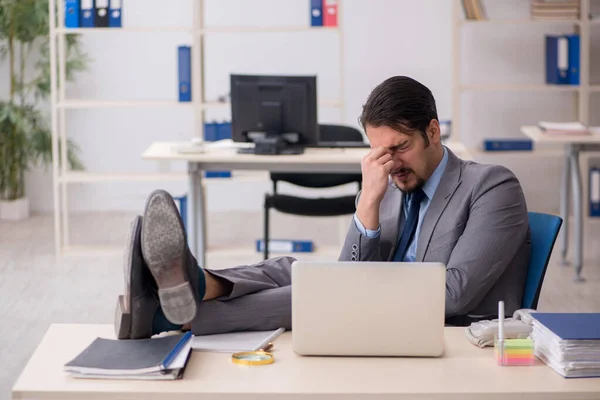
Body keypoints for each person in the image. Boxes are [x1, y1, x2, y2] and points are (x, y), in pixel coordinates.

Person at [114, 76, 531, 340]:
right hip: (388, 302)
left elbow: (454, 295)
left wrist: (365, 285)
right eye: (378, 150)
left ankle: (166, 318)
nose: (391, 162)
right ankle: (195, 284)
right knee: (291, 268)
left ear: (434, 132)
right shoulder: (385, 182)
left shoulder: (491, 186)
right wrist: (368, 203)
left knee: (314, 290)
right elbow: (346, 266)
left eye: (400, 147)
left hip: (437, 328)